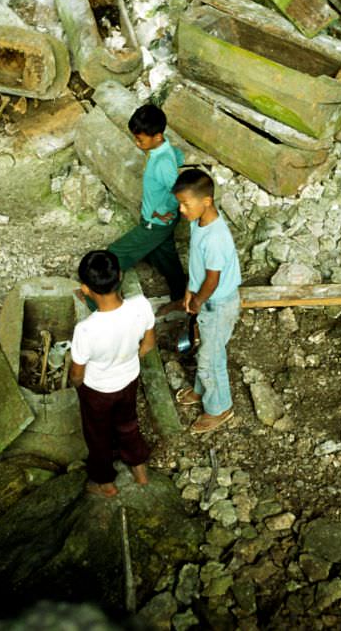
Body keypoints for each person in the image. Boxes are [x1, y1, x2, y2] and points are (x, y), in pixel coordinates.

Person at [70, 249, 155, 498]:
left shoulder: (85, 330)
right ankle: (140, 471)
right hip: (129, 380)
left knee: (98, 435)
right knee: (128, 424)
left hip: (98, 390)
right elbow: (148, 345)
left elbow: (77, 373)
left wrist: (77, 386)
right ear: (119, 275)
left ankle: (105, 482)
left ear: (85, 289)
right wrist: (125, 359)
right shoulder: (141, 305)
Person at [91, 104, 186, 315]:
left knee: (115, 254)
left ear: (158, 136)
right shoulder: (163, 149)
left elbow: (178, 189)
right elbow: (180, 157)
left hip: (156, 223)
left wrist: (164, 211)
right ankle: (181, 295)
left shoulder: (162, 163)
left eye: (140, 139)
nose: (137, 143)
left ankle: (97, 300)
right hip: (160, 222)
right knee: (166, 257)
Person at [172, 168, 241, 434]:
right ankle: (203, 390)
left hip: (218, 304)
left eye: (185, 204)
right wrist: (190, 289)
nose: (181, 210)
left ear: (206, 201)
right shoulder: (198, 223)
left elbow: (212, 278)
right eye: (180, 203)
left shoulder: (215, 238)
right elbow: (198, 266)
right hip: (208, 299)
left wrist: (198, 300)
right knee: (207, 351)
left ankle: (219, 408)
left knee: (211, 358)